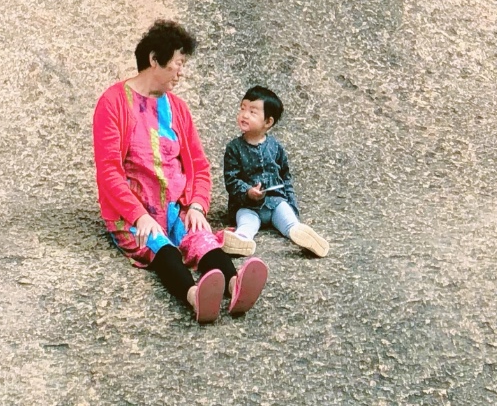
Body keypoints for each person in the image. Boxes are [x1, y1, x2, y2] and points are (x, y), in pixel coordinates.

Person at [92, 20, 270, 323]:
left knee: (202, 239)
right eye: (178, 63)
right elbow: (109, 171)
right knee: (159, 244)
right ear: (153, 60)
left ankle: (233, 283)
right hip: (132, 213)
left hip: (176, 207)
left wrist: (198, 205)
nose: (181, 71)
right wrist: (140, 215)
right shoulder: (113, 103)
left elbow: (199, 166)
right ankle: (194, 297)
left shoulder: (178, 108)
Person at [221, 84, 330, 256]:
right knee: (246, 222)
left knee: (288, 219)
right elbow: (231, 179)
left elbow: (285, 177)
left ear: (268, 122)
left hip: (275, 202)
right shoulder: (234, 148)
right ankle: (242, 240)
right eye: (243, 108)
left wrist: (291, 205)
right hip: (247, 206)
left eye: (252, 112)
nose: (244, 115)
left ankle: (300, 234)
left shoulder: (275, 147)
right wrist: (247, 192)